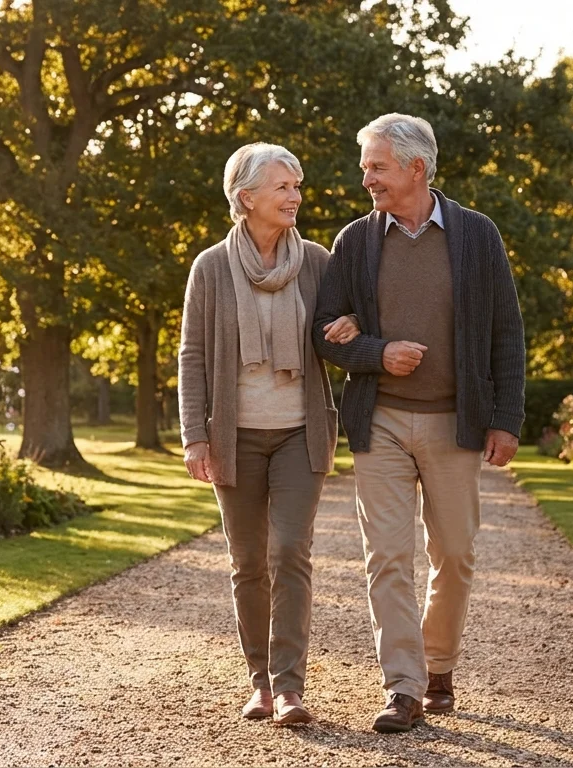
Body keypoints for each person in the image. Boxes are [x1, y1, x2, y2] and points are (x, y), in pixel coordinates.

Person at [311, 113, 527, 733]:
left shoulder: (477, 235)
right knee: (387, 556)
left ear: (415, 167)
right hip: (379, 419)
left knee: (454, 553)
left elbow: (506, 332)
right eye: (365, 168)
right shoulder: (355, 240)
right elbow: (324, 330)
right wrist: (376, 353)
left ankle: (439, 666)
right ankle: (403, 687)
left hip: (455, 422)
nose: (367, 179)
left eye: (377, 167)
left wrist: (506, 419)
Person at [178, 142, 358, 726]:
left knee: (289, 552)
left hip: (299, 433)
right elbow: (192, 355)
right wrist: (194, 436)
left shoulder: (316, 261)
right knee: (248, 562)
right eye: (282, 186)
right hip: (233, 438)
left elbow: (347, 323)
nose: (294, 196)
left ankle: (289, 688)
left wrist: (351, 323)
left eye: (296, 186)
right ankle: (259, 681)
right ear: (246, 197)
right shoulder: (210, 267)